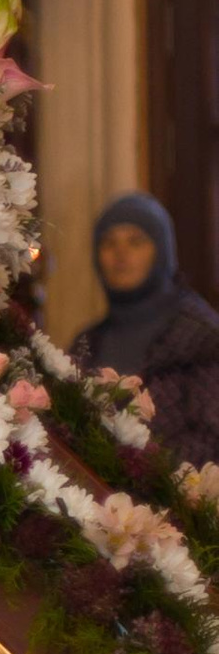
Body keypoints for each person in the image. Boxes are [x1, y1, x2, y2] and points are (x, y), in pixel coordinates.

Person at [72, 192, 219, 464]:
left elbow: (211, 440)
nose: (121, 253)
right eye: (108, 243)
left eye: (136, 241)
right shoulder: (87, 343)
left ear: (162, 251)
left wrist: (136, 471)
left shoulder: (202, 337)